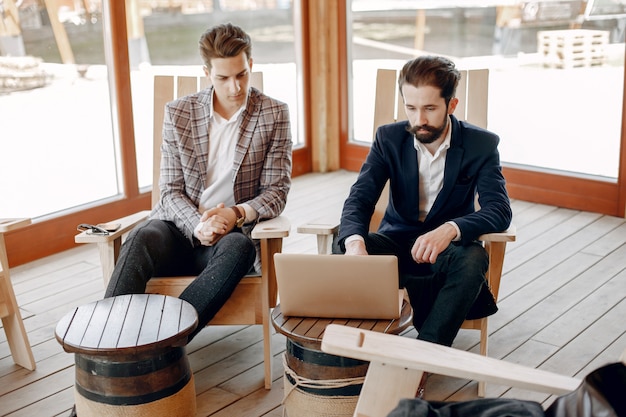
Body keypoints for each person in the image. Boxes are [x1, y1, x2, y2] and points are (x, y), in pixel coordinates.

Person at [104, 23, 293, 342]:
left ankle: (165, 343)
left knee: (240, 247)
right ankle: (107, 343)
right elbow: (169, 192)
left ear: (251, 66)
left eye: (242, 74)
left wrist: (234, 215)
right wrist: (198, 225)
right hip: (177, 230)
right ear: (207, 73)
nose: (235, 87)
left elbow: (276, 192)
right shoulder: (179, 113)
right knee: (139, 238)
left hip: (228, 236)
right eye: (223, 78)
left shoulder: (273, 114)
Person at [334, 55, 512, 350]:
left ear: (451, 105)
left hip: (447, 253)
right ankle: (360, 348)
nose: (419, 120)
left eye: (430, 108)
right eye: (411, 108)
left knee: (474, 259)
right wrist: (354, 244)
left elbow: (499, 210)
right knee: (344, 245)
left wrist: (450, 229)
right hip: (397, 245)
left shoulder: (481, 144)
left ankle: (424, 353)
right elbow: (360, 198)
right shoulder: (388, 138)